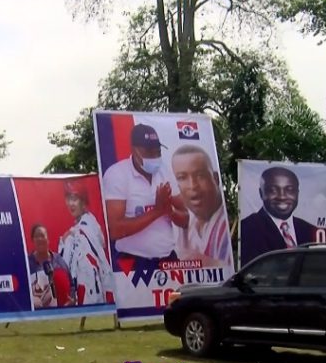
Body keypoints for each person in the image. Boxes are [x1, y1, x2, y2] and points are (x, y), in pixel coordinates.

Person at [101, 123, 189, 272]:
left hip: (168, 261)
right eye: (149, 152)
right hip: (132, 263)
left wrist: (170, 211)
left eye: (158, 152)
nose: (155, 157)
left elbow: (185, 219)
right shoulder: (117, 174)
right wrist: (157, 211)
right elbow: (115, 230)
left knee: (178, 296)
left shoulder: (164, 171)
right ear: (134, 150)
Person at [240, 166, 317, 266]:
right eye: (273, 190)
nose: (282, 196)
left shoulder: (308, 229)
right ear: (261, 193)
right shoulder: (248, 228)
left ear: (297, 193)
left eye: (289, 190)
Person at [170, 145, 232, 268]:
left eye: (200, 175)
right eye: (182, 177)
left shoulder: (227, 225)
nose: (193, 185)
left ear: (215, 179)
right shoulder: (189, 225)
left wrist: (209, 264)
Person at [58, 181, 115, 306]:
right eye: (68, 198)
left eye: (75, 199)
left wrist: (65, 240)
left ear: (83, 202)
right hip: (83, 289)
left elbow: (97, 263)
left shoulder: (86, 226)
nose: (70, 204)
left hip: (91, 291)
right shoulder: (79, 227)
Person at [28, 224, 72, 308]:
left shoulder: (59, 261)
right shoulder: (27, 264)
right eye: (37, 236)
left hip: (59, 313)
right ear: (32, 240)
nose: (40, 239)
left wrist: (71, 300)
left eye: (42, 236)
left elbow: (71, 285)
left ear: (48, 239)